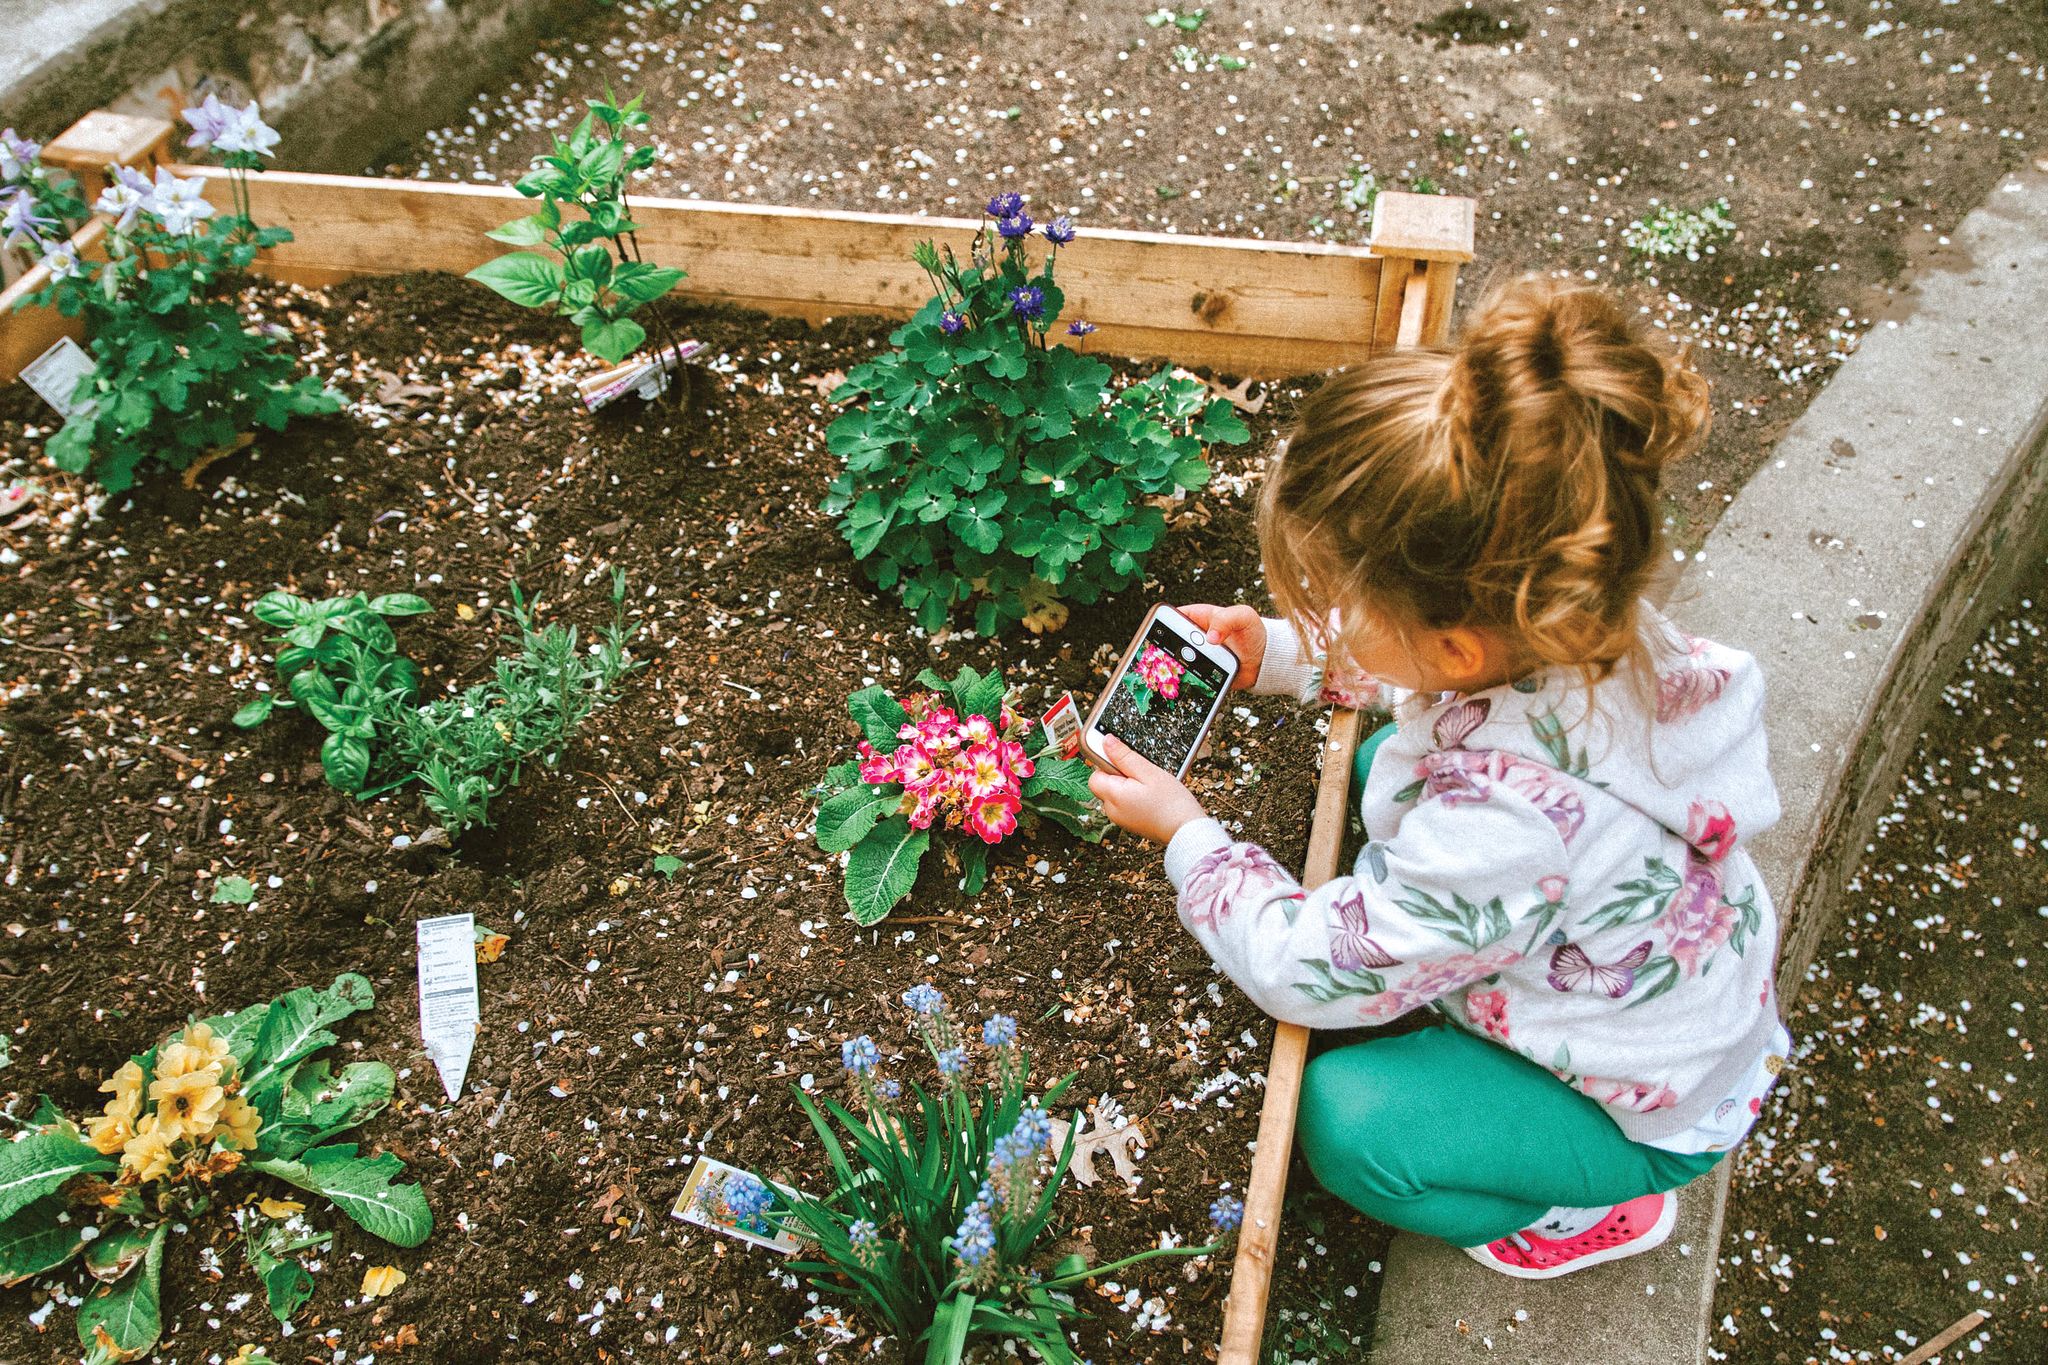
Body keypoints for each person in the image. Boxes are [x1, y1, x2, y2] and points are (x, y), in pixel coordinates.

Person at [1088, 274, 1787, 1279]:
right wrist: (1280, 653)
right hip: (1662, 989)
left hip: (1636, 1105)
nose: (1329, 612)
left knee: (1347, 1125)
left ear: (1455, 645)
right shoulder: (1586, 619)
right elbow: (1427, 676)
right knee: (1385, 762)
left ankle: (1575, 1211)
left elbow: (1305, 971)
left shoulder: (1501, 826)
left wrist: (1188, 836)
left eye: (1338, 599)